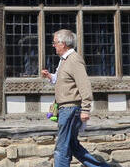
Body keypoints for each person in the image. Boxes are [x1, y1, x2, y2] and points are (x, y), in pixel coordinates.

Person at [41, 29, 108, 167]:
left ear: (63, 44)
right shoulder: (64, 60)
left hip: (71, 109)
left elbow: (84, 85)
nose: (53, 45)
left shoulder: (74, 60)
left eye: (55, 43)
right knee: (72, 145)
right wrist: (50, 76)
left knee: (61, 148)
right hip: (66, 109)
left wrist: (85, 109)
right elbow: (64, 80)